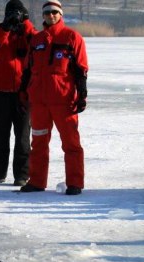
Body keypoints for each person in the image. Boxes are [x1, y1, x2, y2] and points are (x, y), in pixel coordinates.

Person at [18, 1, 88, 195]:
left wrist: (82, 94)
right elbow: (27, 70)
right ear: (43, 15)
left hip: (63, 100)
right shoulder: (36, 39)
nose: (51, 16)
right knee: (39, 143)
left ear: (60, 14)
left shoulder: (72, 37)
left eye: (55, 12)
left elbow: (81, 69)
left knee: (71, 143)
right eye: (47, 12)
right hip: (39, 101)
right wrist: (23, 93)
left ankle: (74, 183)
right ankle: (37, 182)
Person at [0, 0, 37, 187]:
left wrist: (26, 23)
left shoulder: (28, 32)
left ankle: (22, 175)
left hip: (23, 92)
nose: (14, 16)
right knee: (0, 134)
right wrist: (6, 27)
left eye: (18, 12)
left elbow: (36, 41)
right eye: (11, 13)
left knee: (23, 136)